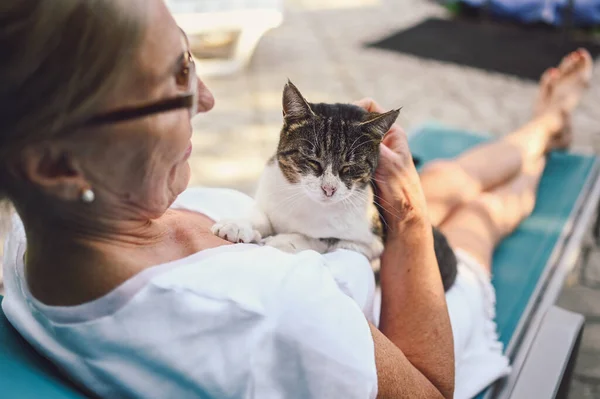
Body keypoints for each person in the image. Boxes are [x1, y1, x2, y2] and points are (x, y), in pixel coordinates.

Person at [0, 1, 592, 398]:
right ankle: (545, 139)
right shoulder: (271, 309)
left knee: (445, 179)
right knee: (476, 220)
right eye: (174, 81)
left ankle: (541, 127)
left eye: (191, 61)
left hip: (348, 244)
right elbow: (431, 390)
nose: (205, 99)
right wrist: (409, 219)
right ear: (55, 164)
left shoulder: (33, 237)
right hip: (422, 309)